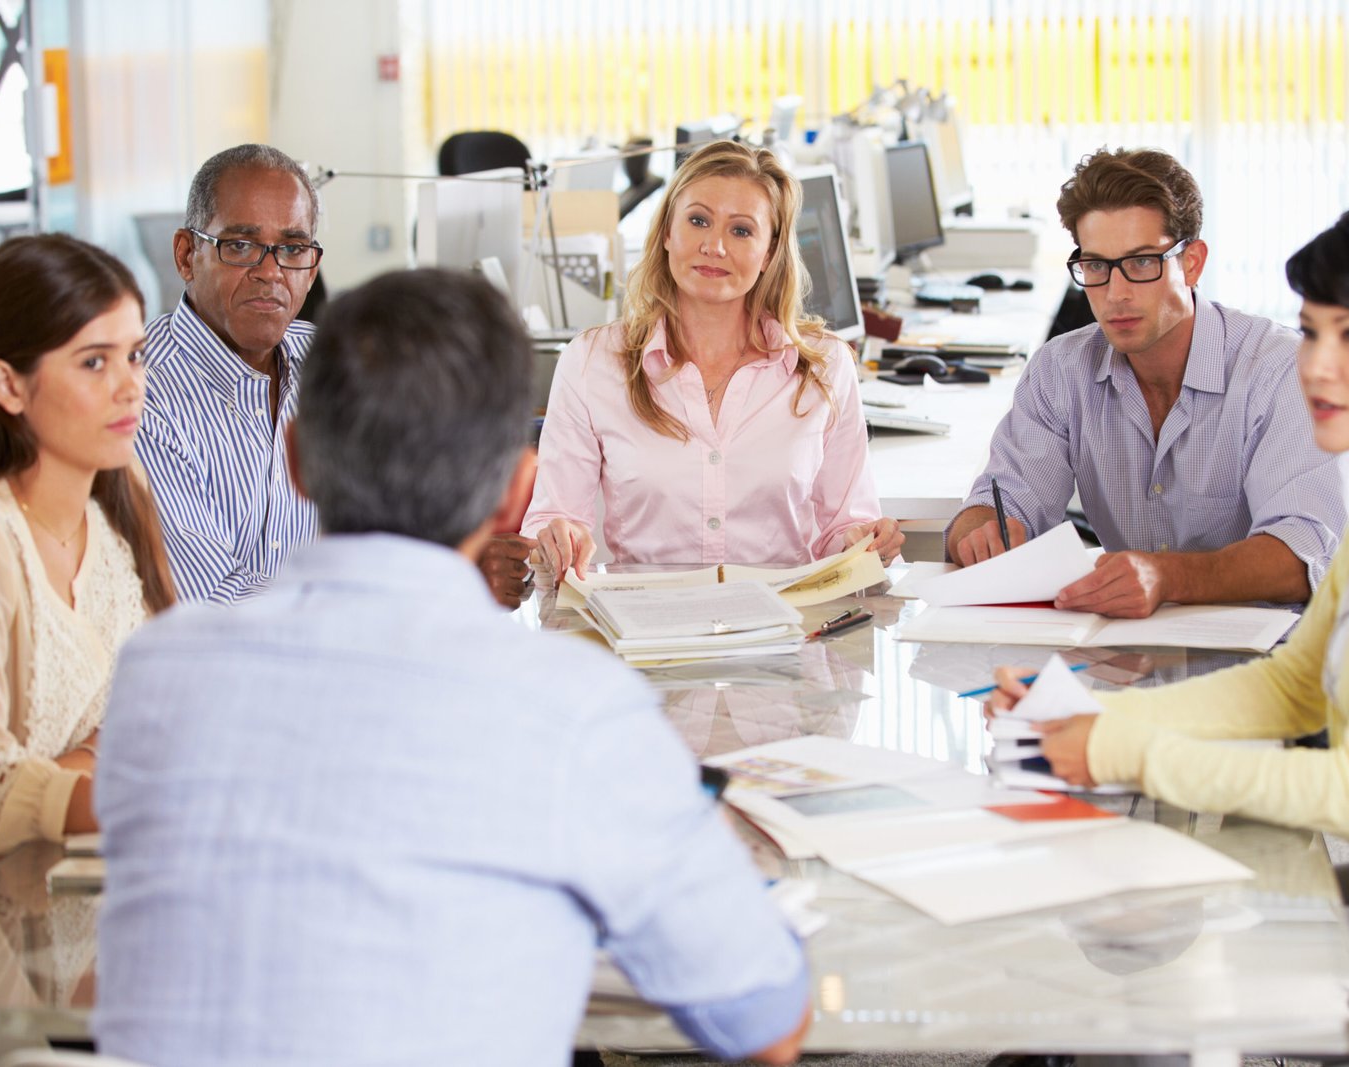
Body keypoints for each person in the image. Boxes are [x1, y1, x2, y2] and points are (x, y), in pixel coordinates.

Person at [94, 268, 811, 1066]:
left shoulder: (155, 670)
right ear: (516, 494)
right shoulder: (575, 707)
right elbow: (766, 1019)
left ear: (296, 459)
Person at [988, 186, 1349, 1041]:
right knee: (1130, 941)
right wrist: (1092, 715)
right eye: (1312, 332)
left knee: (1143, 983)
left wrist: (1117, 749)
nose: (1316, 366)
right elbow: (1291, 686)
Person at [946, 148, 1346, 618]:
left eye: (1140, 263)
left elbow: (1303, 553)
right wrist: (977, 532)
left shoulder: (1278, 370)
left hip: (1263, 649)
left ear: (1192, 262)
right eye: (1096, 266)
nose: (1115, 294)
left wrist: (1167, 576)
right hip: (1125, 646)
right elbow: (1002, 501)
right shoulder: (1060, 370)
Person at [137, 143, 536, 607]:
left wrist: (460, 553)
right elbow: (210, 605)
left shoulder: (328, 359)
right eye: (241, 246)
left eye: (292, 249)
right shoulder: (142, 395)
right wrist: (441, 581)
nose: (270, 272)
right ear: (187, 255)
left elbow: (396, 513)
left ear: (312, 270)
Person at [523, 139, 901, 575]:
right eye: (698, 221)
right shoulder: (592, 362)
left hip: (781, 614)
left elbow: (845, 526)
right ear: (667, 232)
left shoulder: (825, 366)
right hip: (648, 613)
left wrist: (862, 541)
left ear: (769, 252)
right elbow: (552, 518)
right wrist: (556, 539)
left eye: (741, 231)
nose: (714, 246)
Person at [0, 234, 175, 894]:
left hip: (84, 886)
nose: (130, 386)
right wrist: (127, 787)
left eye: (135, 355)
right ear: (8, 385)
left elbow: (162, 702)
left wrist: (83, 760)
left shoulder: (121, 500)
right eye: (94, 362)